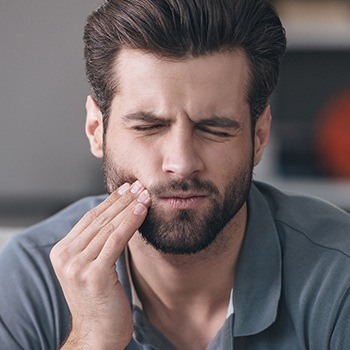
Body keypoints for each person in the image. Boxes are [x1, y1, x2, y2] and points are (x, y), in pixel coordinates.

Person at [1, 0, 350, 349]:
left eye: (214, 129)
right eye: (148, 126)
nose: (182, 163)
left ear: (259, 136)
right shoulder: (27, 278)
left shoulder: (339, 275)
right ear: (96, 129)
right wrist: (91, 339)